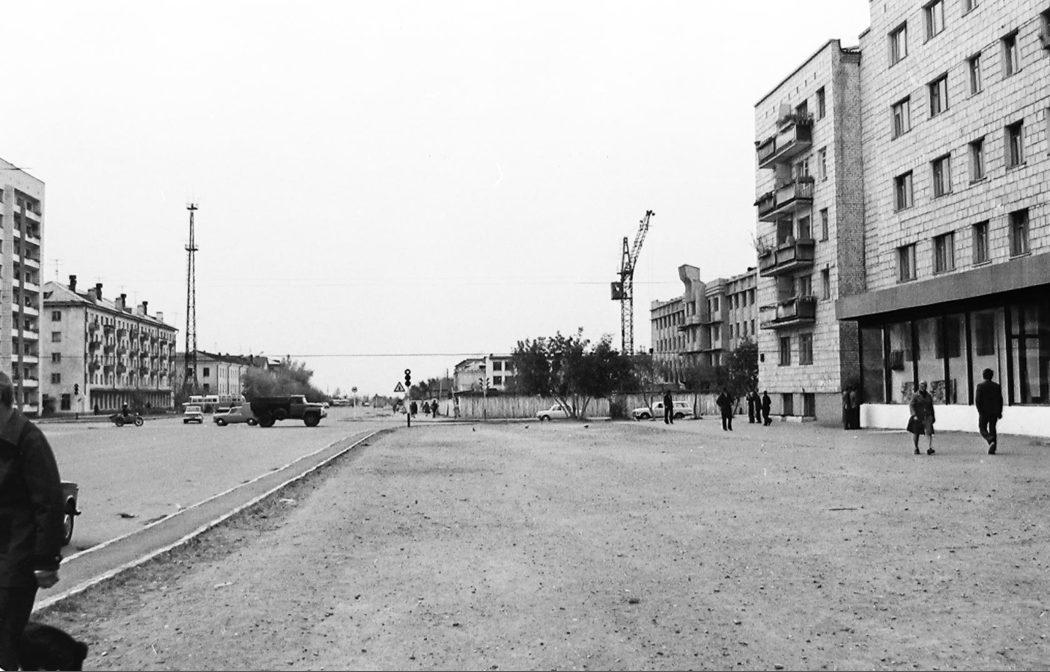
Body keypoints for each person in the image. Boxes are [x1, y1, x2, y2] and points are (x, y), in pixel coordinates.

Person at [0, 371, 65, 670]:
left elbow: (49, 503)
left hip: (18, 559)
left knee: (5, 636)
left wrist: (46, 560)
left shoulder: (28, 440)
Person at [975, 368, 1003, 455]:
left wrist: (980, 411)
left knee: (982, 428)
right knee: (992, 428)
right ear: (992, 376)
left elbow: (978, 400)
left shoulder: (980, 386)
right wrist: (999, 412)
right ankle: (993, 448)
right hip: (994, 412)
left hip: (984, 412)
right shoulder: (997, 386)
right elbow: (1000, 400)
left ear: (983, 376)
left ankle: (990, 440)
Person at [909, 381, 936, 455]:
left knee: (929, 431)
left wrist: (933, 416)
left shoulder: (928, 396)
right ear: (919, 386)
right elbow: (911, 405)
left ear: (926, 387)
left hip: (927, 416)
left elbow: (931, 407)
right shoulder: (915, 395)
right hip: (918, 416)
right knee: (916, 432)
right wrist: (914, 415)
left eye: (924, 386)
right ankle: (916, 447)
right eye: (921, 386)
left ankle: (929, 448)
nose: (923, 387)